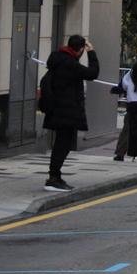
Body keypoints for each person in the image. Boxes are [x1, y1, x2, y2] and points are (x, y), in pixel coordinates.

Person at [42, 35, 99, 192]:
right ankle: (53, 178)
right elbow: (93, 73)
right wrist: (91, 52)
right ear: (80, 50)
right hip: (66, 111)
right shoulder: (70, 64)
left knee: (62, 144)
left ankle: (55, 176)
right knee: (62, 144)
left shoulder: (58, 59)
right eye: (83, 50)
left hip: (58, 109)